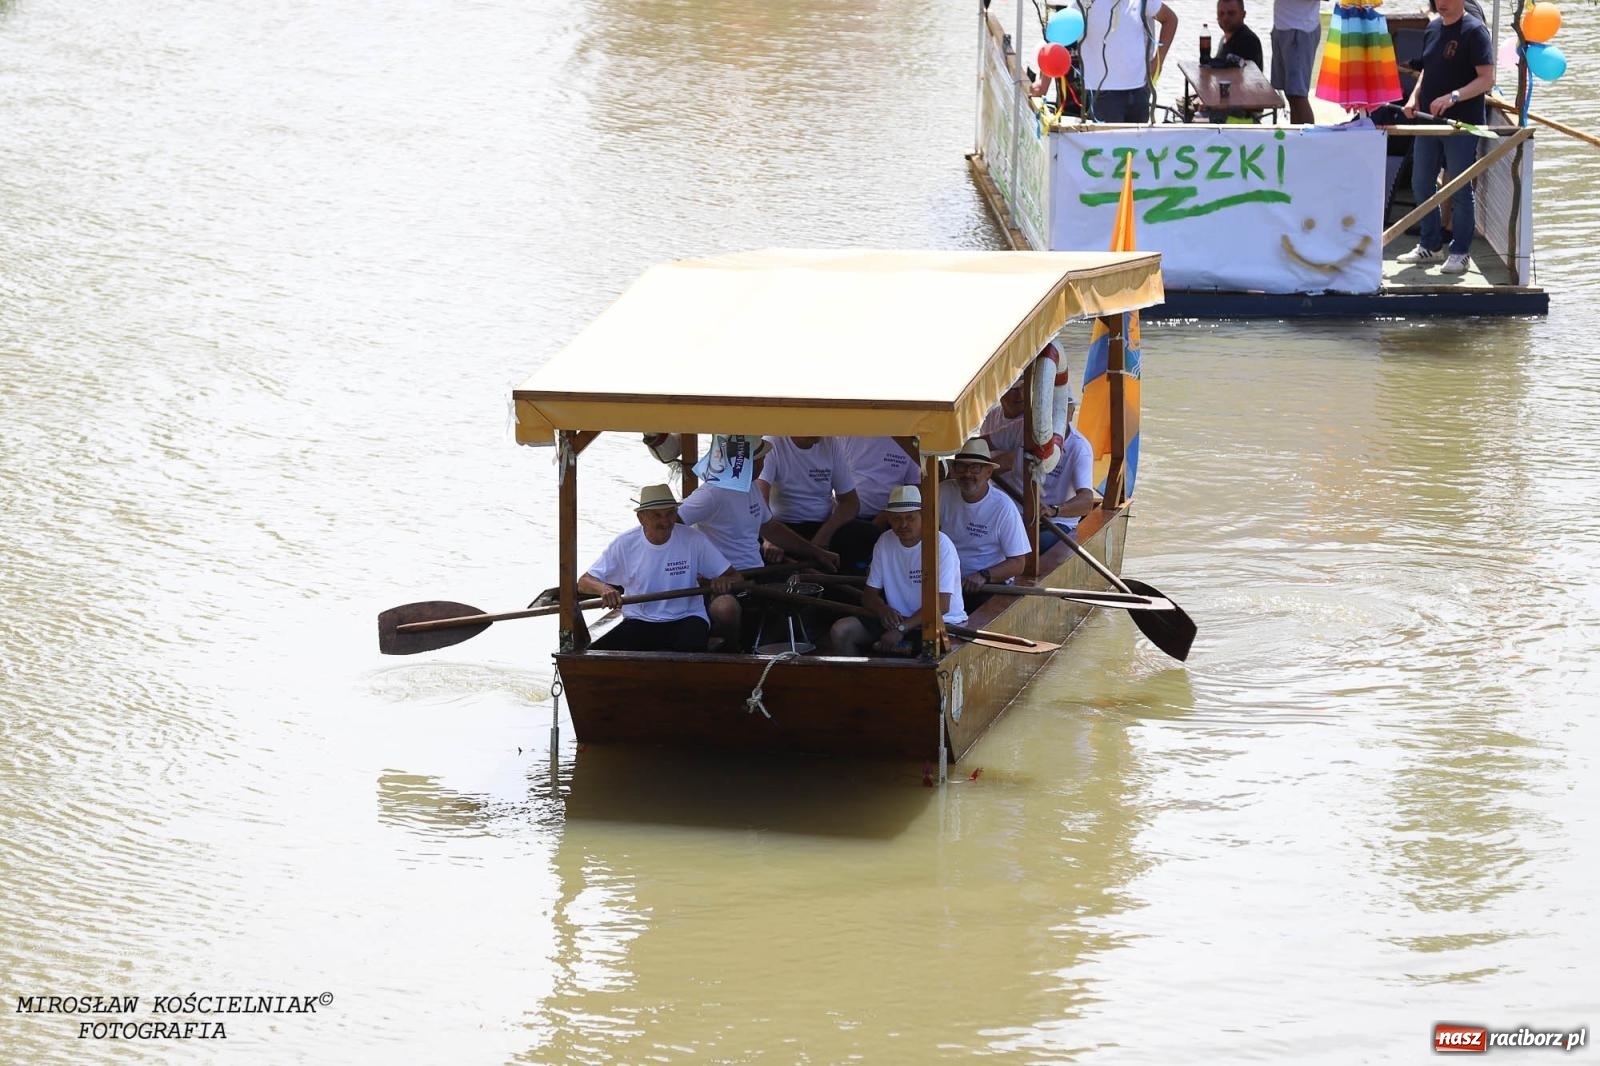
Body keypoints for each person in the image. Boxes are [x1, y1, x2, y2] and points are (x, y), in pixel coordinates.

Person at [677, 436, 835, 649]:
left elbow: (770, 527)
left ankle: (773, 644)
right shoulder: (711, 493)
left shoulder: (750, 487)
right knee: (726, 609)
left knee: (812, 582)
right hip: (724, 579)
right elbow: (672, 525)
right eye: (760, 458)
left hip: (756, 573)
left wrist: (815, 552)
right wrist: (697, 570)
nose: (764, 461)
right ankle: (734, 651)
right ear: (744, 463)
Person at [577, 484, 741, 652]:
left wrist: (723, 581)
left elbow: (735, 577)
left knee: (689, 649)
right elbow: (584, 581)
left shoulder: (694, 540)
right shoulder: (624, 544)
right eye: (657, 515)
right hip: (640, 619)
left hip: (687, 617)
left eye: (670, 513)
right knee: (601, 652)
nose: (665, 521)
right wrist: (604, 589)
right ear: (641, 518)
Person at [1396, 0, 1494, 276]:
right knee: (1421, 182)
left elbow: (1487, 79)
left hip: (1461, 124)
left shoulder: (1475, 32)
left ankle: (1460, 252)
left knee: (1460, 188)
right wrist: (1415, 97)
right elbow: (1428, 69)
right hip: (1428, 122)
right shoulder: (1433, 27)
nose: (1442, 2)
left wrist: (1454, 96)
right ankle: (1430, 244)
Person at [827, 486, 966, 657]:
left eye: (910, 517)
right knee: (841, 631)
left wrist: (902, 628)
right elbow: (869, 595)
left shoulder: (941, 544)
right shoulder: (884, 541)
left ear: (924, 515)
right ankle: (858, 681)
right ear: (888, 519)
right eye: (896, 518)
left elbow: (942, 605)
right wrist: (883, 610)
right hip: (898, 623)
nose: (903, 524)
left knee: (928, 658)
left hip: (940, 624)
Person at [937, 439, 1031, 611]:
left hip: (984, 585)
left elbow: (1018, 563)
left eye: (975, 468)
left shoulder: (1003, 507)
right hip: (945, 581)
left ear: (988, 472)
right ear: (954, 470)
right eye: (961, 467)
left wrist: (984, 575)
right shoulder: (943, 491)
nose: (967, 474)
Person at [758, 436, 863, 569]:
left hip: (823, 527)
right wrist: (769, 539)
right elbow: (760, 501)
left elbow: (850, 502)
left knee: (865, 533)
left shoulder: (830, 443)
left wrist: (821, 540)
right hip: (781, 527)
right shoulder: (772, 442)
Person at [1075, 0, 1178, 123]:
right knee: (1110, 142)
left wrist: (1158, 61)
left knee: (1138, 142)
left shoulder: (1142, 2)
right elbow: (1061, 33)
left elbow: (1170, 19)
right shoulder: (1083, 2)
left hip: (1140, 89)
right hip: (1103, 93)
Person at [831, 437, 922, 573]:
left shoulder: (909, 440)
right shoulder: (847, 431)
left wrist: (887, 516)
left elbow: (915, 486)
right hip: (847, 519)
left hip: (893, 521)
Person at [1271, 0, 1322, 124]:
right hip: (1281, 25)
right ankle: (1296, 138)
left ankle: (1306, 140)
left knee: (1298, 95)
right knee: (1291, 95)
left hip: (1301, 29)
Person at [1212, 0, 1263, 69]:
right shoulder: (1224, 39)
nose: (1225, 18)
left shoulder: (1248, 41)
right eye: (1221, 13)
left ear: (1243, 14)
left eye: (1231, 13)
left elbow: (1240, 75)